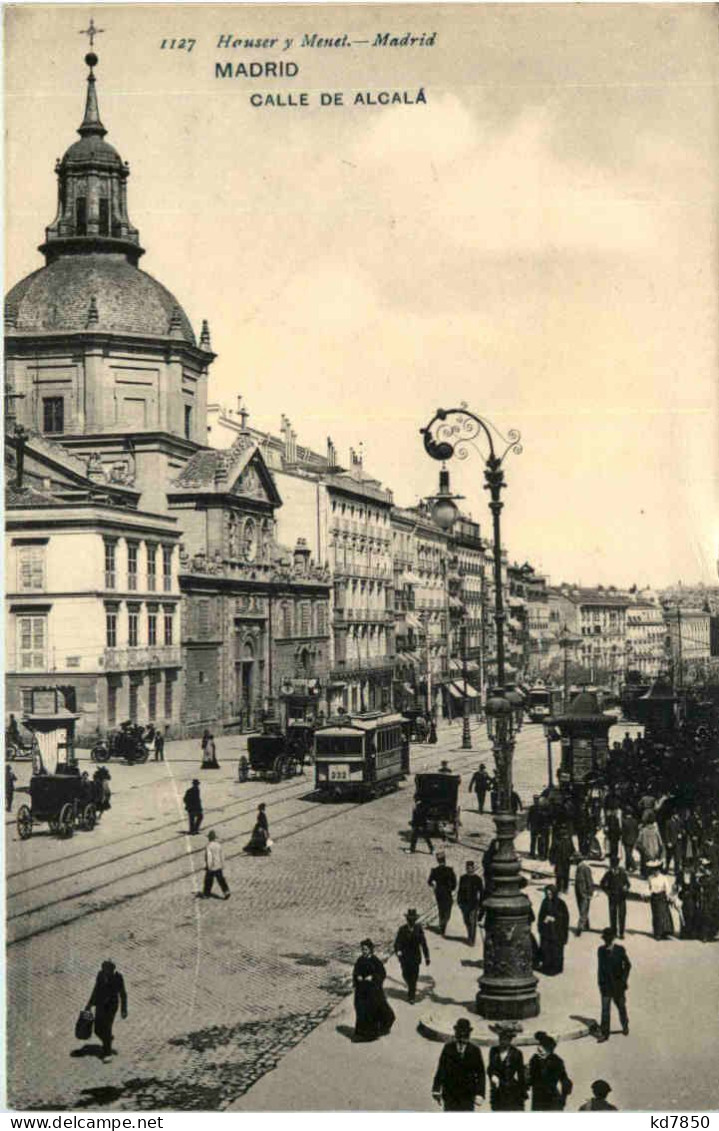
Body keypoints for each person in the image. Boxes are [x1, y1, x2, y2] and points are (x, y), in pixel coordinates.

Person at [432, 1018, 486, 1111]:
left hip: (468, 1095)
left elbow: (481, 1073)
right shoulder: (448, 1048)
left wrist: (480, 1093)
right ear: (456, 1033)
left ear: (469, 1034)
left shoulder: (475, 1050)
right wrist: (436, 1089)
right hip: (450, 1093)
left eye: (465, 1033)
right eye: (460, 1032)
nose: (462, 1035)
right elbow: (441, 1069)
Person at [352, 939, 395, 1042]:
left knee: (372, 1012)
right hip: (361, 991)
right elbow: (355, 971)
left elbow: (382, 974)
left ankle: (371, 1035)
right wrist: (357, 977)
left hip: (373, 992)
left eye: (366, 949)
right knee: (361, 1011)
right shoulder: (360, 960)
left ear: (370, 950)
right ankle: (361, 1033)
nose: (364, 951)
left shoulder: (375, 961)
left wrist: (372, 977)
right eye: (362, 949)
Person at [86, 960, 128, 1063]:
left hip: (111, 1007)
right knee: (97, 1029)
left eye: (106, 969)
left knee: (107, 1028)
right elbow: (96, 989)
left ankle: (107, 1053)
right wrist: (89, 1004)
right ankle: (108, 1039)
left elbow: (123, 994)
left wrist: (123, 1009)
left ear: (112, 969)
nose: (104, 970)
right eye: (103, 968)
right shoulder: (100, 975)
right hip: (100, 1005)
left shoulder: (118, 977)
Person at [596, 928, 631, 1042]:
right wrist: (600, 983)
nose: (607, 942)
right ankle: (605, 1034)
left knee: (621, 1007)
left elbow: (628, 965)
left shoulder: (620, 950)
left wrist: (623, 980)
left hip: (618, 986)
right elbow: (600, 968)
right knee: (605, 1010)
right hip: (606, 986)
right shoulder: (600, 950)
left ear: (613, 939)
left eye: (609, 940)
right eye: (606, 940)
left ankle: (625, 1025)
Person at [528, 1031, 573, 1111]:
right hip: (546, 1098)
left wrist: (563, 1098)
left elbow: (565, 1081)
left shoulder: (536, 1059)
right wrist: (563, 1098)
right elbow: (565, 1081)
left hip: (542, 1099)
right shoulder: (537, 1060)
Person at [394, 908, 430, 1003]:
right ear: (407, 920)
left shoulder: (418, 930)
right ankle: (411, 987)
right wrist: (398, 951)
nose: (411, 921)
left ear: (415, 920)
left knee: (414, 977)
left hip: (415, 958)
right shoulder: (402, 930)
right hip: (404, 958)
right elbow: (397, 942)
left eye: (413, 919)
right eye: (409, 919)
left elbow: (423, 944)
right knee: (405, 974)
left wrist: (427, 957)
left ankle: (411, 996)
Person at [487, 1024, 527, 1111]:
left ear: (510, 1039)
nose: (502, 1041)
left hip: (511, 1091)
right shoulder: (493, 1051)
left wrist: (522, 1094)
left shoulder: (516, 1053)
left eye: (505, 1038)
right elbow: (490, 1068)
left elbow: (521, 1074)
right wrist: (493, 1075)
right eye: (501, 1038)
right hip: (496, 1092)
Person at [537, 885, 569, 975]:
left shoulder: (561, 903)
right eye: (547, 894)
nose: (548, 896)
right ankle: (546, 966)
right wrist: (543, 921)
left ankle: (556, 968)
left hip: (557, 931)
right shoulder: (545, 902)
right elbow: (541, 915)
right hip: (547, 930)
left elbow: (565, 917)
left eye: (550, 894)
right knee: (546, 948)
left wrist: (555, 918)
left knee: (556, 950)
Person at [600, 856, 630, 939]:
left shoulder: (622, 873)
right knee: (612, 915)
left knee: (622, 915)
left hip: (621, 897)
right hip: (612, 897)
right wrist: (607, 892)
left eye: (615, 867)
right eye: (613, 867)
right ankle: (613, 931)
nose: (614, 869)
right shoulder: (608, 874)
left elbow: (628, 884)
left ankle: (621, 933)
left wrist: (626, 888)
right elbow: (602, 884)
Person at [428, 852, 457, 935]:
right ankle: (444, 923)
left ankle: (442, 924)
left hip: (439, 893)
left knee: (441, 909)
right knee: (448, 908)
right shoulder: (449, 870)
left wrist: (433, 885)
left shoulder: (434, 870)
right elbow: (454, 882)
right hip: (447, 892)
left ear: (438, 861)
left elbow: (429, 881)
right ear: (445, 860)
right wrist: (452, 889)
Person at [457, 860, 484, 945]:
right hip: (464, 904)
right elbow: (460, 891)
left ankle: (472, 940)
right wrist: (459, 901)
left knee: (472, 922)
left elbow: (482, 892)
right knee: (466, 921)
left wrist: (480, 904)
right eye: (467, 868)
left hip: (474, 904)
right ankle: (469, 935)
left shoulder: (477, 879)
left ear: (473, 868)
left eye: (470, 868)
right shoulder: (463, 878)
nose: (469, 870)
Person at [647, 865, 674, 940]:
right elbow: (649, 888)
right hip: (654, 898)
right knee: (656, 915)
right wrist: (647, 894)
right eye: (653, 870)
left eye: (657, 870)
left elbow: (667, 888)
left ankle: (664, 932)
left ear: (659, 870)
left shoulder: (663, 877)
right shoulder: (650, 878)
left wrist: (669, 897)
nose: (655, 872)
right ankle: (657, 933)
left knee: (663, 914)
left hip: (662, 897)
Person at [201, 830, 230, 900]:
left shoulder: (208, 846)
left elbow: (209, 857)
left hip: (212, 866)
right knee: (221, 879)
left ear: (209, 838)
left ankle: (206, 894)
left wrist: (208, 866)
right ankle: (226, 891)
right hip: (218, 865)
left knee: (208, 881)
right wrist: (222, 864)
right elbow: (222, 855)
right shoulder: (218, 845)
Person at [636, 813, 663, 878]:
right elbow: (660, 841)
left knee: (645, 862)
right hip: (655, 850)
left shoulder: (643, 830)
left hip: (646, 850)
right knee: (654, 863)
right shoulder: (656, 830)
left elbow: (638, 841)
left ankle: (645, 874)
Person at [574, 855, 594, 936]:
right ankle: (586, 925)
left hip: (584, 893)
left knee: (583, 910)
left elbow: (589, 881)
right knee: (583, 909)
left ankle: (579, 928)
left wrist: (590, 892)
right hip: (579, 892)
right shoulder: (579, 867)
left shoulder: (585, 868)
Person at [550, 822, 573, 894]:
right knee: (562, 874)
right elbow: (552, 850)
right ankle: (562, 888)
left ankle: (561, 888)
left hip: (564, 859)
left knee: (561, 875)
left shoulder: (560, 840)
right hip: (562, 859)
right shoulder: (566, 839)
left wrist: (552, 860)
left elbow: (552, 850)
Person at [663, 810, 684, 876]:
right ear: (673, 815)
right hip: (670, 843)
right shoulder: (668, 822)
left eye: (678, 815)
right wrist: (668, 842)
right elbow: (666, 833)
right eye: (676, 815)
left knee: (677, 858)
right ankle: (666, 869)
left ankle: (676, 871)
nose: (677, 816)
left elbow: (682, 830)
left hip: (678, 843)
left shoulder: (680, 822)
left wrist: (681, 834)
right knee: (668, 857)